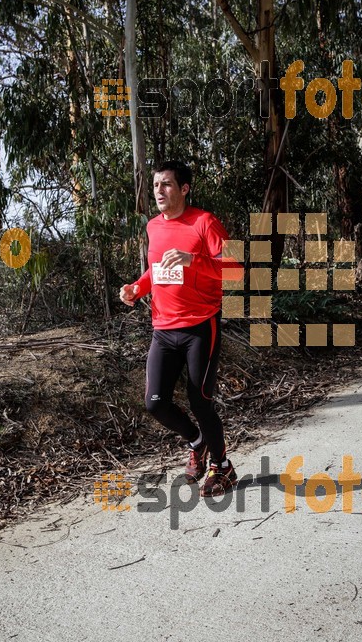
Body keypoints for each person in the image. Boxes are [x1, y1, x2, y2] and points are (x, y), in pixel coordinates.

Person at [119, 160, 244, 497]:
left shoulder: (204, 223)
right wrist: (137, 288)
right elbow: (157, 270)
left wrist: (195, 261)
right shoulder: (153, 227)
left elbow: (236, 271)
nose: (159, 191)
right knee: (155, 402)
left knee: (200, 400)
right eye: (156, 185)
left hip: (200, 326)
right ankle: (197, 441)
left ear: (184, 189)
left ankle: (223, 467)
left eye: (167, 185)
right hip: (163, 329)